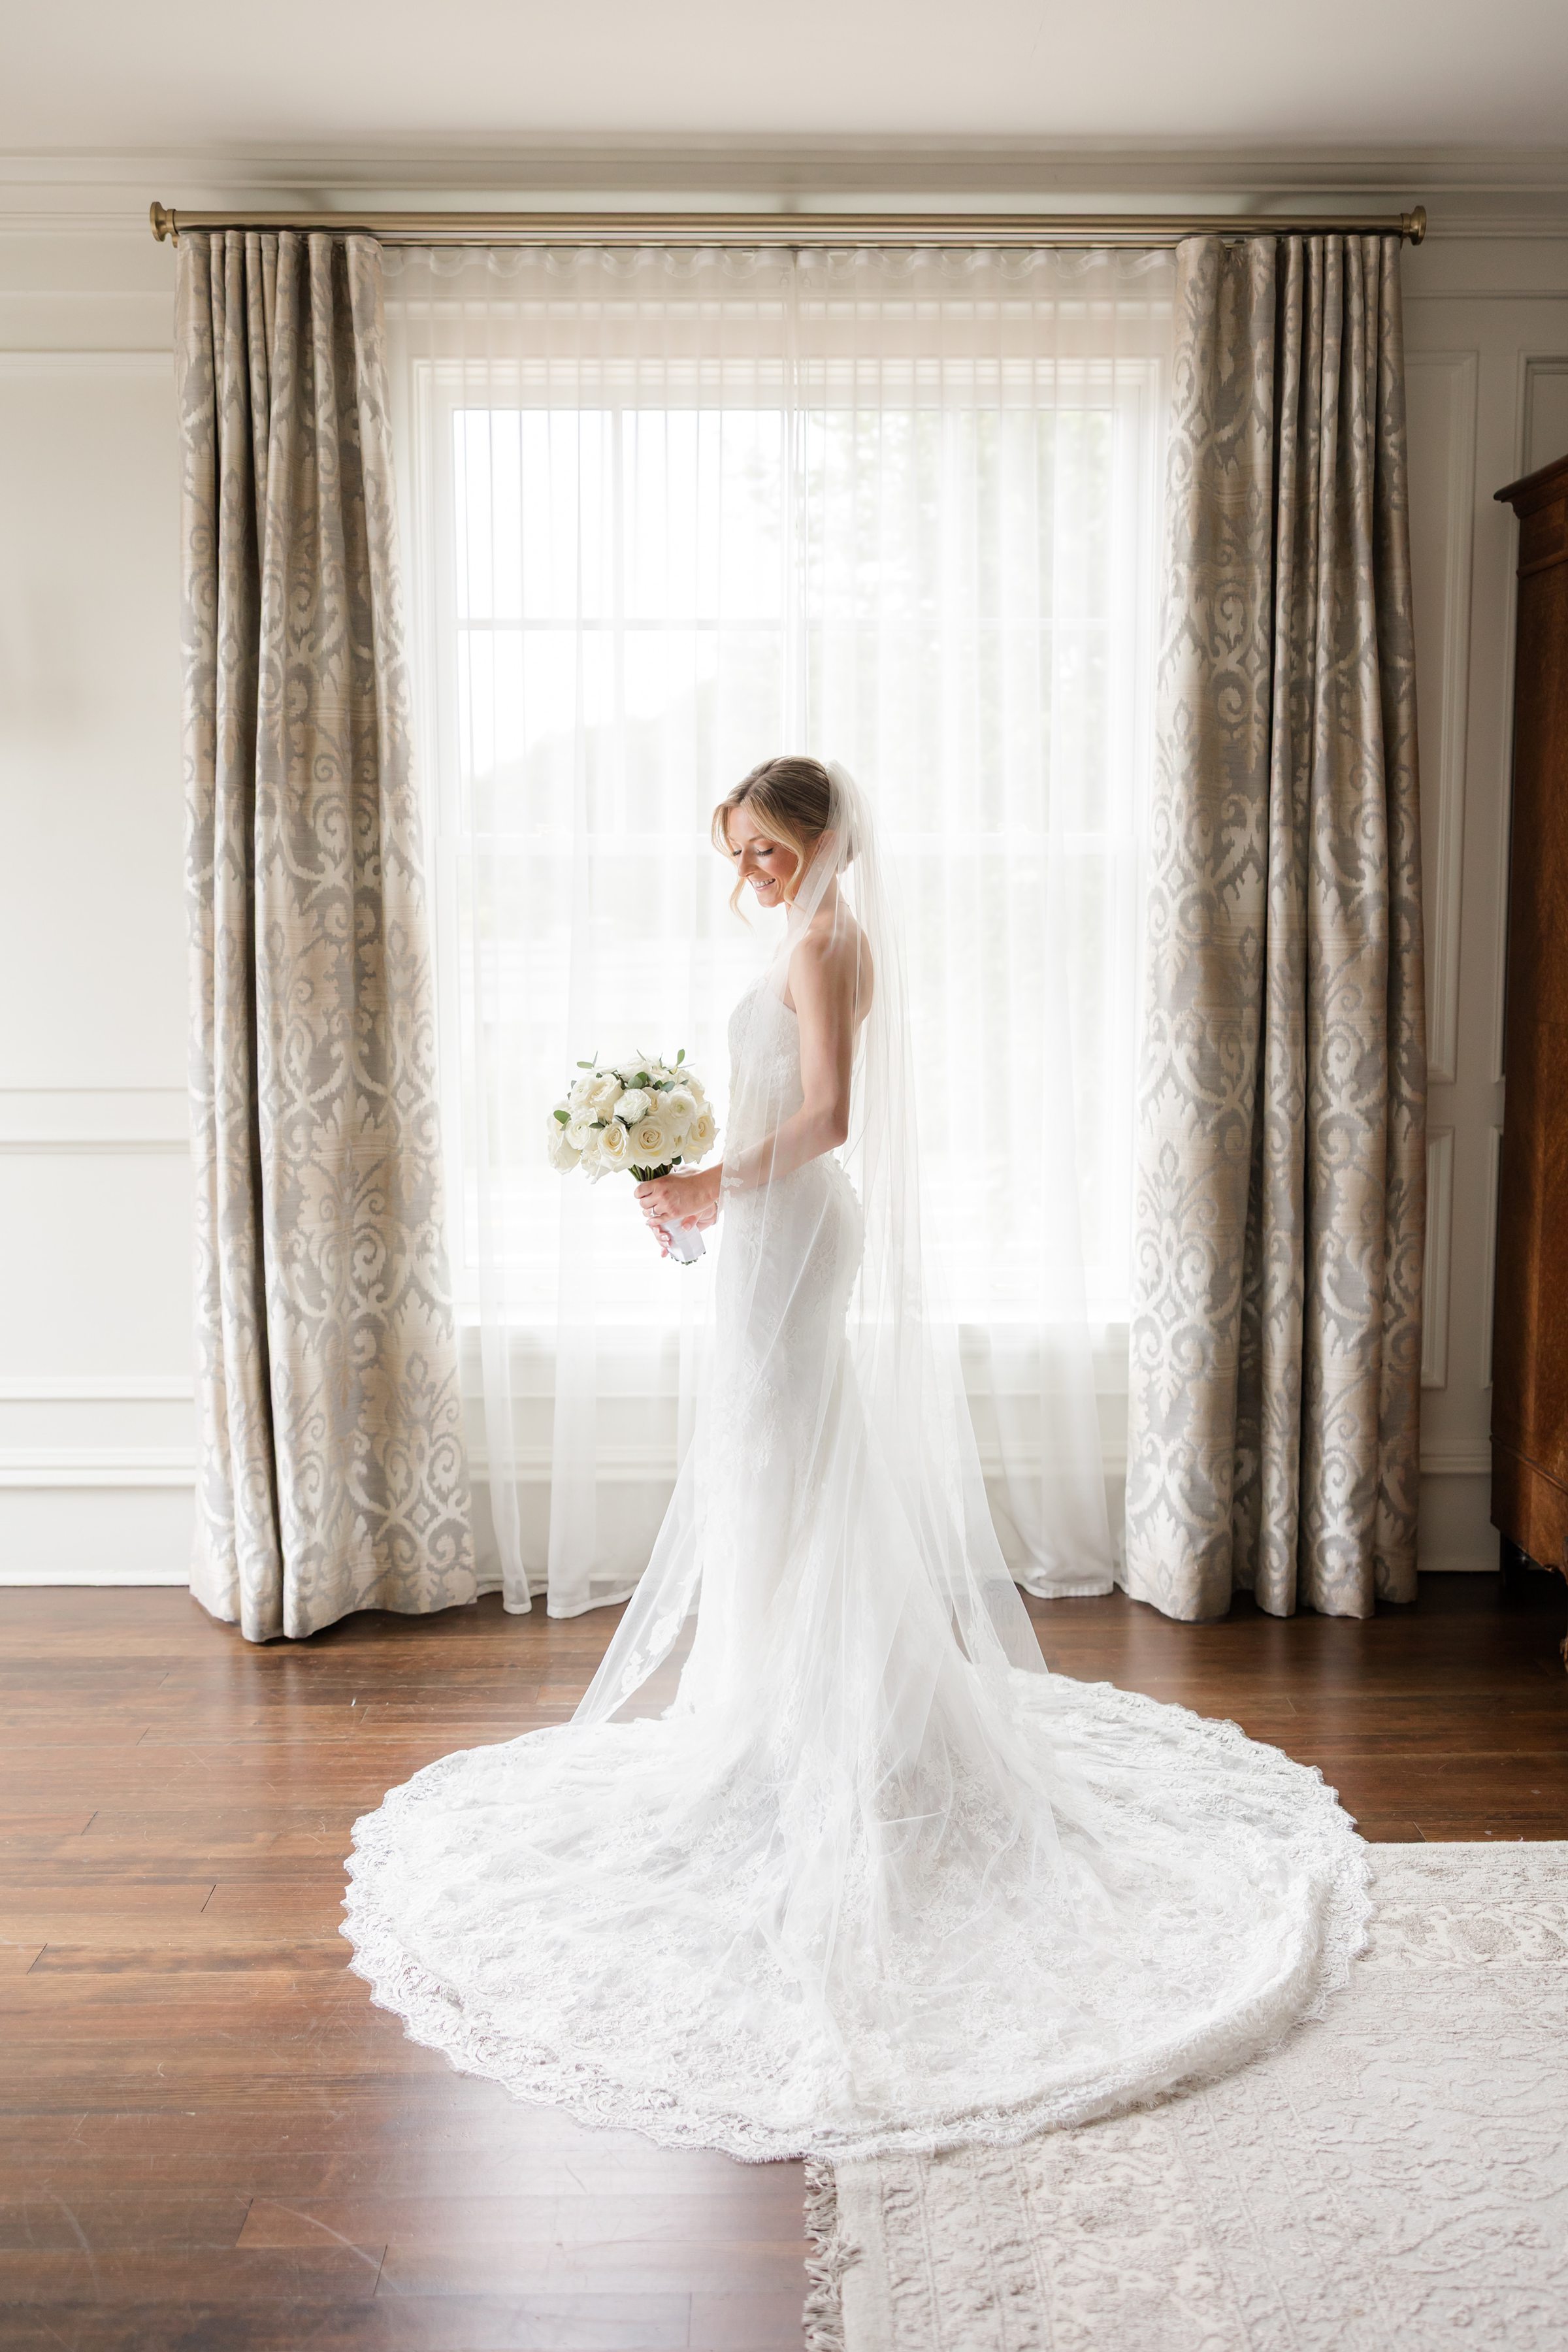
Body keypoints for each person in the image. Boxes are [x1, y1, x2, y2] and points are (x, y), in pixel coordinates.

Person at [344, 757, 1369, 2164]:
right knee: (775, 1469)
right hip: (768, 1229)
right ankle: (778, 1699)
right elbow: (777, 1111)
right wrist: (690, 1188)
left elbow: (828, 1118)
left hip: (800, 1223)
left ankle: (832, 1726)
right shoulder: (796, 937)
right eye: (741, 852)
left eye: (769, 849)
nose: (752, 873)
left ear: (823, 843)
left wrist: (714, 1178)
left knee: (785, 1464)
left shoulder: (829, 944)